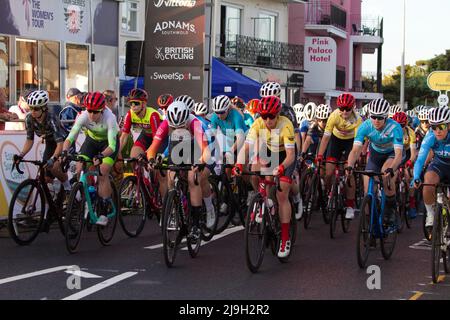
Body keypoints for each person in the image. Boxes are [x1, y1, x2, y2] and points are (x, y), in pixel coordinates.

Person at [233, 95, 296, 258]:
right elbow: (246, 148)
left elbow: (291, 155)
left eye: (272, 116)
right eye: (264, 116)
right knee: (254, 171)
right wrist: (239, 165)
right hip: (269, 151)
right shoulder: (257, 124)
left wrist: (281, 167)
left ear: (278, 114)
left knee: (282, 194)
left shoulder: (286, 125)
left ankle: (284, 238)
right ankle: (264, 200)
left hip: (285, 156)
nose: (268, 120)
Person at [146, 101, 216, 231]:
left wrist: (200, 162)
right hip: (178, 146)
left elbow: (205, 150)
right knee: (171, 177)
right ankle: (173, 211)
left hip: (197, 147)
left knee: (193, 179)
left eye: (181, 126)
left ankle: (198, 222)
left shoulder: (195, 123)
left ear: (186, 120)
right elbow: (152, 148)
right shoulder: (166, 122)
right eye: (174, 127)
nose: (178, 129)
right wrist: (151, 160)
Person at [62, 92, 120, 226]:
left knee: (103, 172)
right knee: (79, 168)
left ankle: (104, 210)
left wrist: (100, 156)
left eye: (95, 112)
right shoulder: (83, 116)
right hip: (92, 141)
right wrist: (64, 151)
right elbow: (70, 138)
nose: (92, 115)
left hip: (108, 144)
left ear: (102, 110)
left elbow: (112, 146)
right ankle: (89, 196)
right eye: (89, 111)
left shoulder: (109, 118)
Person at [346, 98, 403, 225]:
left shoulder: (395, 127)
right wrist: (349, 165)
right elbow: (355, 150)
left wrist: (392, 168)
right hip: (375, 155)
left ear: (386, 117)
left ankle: (391, 208)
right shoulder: (364, 126)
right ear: (369, 115)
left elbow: (399, 154)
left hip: (391, 154)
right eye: (373, 117)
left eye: (380, 117)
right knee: (368, 190)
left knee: (385, 174)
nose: (376, 120)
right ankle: (368, 223)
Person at [14, 90, 70, 194]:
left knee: (54, 167)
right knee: (45, 176)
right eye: (30, 108)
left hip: (64, 143)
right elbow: (29, 140)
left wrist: (53, 159)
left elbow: (60, 144)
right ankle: (54, 198)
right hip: (50, 143)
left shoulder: (51, 119)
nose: (32, 111)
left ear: (44, 108)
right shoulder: (29, 119)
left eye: (36, 109)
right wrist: (21, 155)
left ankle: (68, 188)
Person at [316, 93, 362, 219]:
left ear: (352, 107)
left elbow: (358, 143)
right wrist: (320, 155)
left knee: (349, 172)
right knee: (329, 172)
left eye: (347, 109)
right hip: (335, 141)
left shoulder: (358, 119)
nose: (344, 111)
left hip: (350, 142)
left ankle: (350, 206)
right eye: (342, 108)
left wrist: (356, 158)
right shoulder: (334, 116)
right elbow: (325, 138)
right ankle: (330, 194)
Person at [413, 107, 450, 227]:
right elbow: (420, 160)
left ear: (448, 126)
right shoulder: (430, 137)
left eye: (441, 127)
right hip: (439, 165)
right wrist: (416, 176)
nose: (437, 131)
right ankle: (430, 214)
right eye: (434, 127)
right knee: (428, 182)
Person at [119, 88, 162, 160]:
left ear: (144, 104)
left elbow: (156, 140)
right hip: (146, 136)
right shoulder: (130, 114)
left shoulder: (153, 115)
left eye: (136, 103)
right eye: (131, 103)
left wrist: (147, 153)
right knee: (133, 157)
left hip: (160, 138)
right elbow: (123, 137)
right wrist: (118, 152)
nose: (133, 106)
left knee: (154, 163)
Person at [392, 111, 417, 218]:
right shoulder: (389, 131)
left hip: (406, 154)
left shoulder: (411, 132)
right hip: (393, 153)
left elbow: (413, 153)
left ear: (406, 124)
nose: (399, 127)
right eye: (396, 124)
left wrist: (409, 162)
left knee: (409, 174)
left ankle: (411, 204)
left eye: (401, 125)